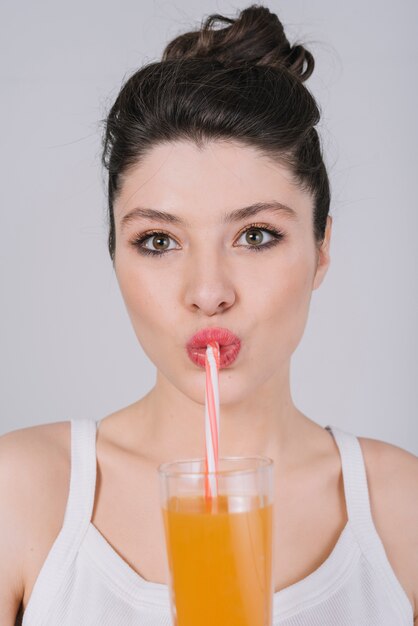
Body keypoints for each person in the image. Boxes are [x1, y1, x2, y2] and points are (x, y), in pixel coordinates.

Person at [1, 5, 417, 625]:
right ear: (114, 253)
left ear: (322, 246)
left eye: (255, 234)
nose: (208, 292)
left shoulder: (403, 508)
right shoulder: (22, 494)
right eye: (159, 242)